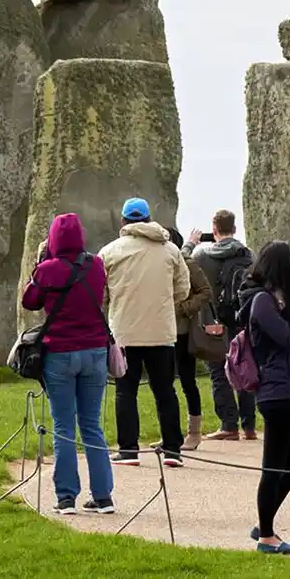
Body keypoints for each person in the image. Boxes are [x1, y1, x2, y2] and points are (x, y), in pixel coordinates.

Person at [21, 213, 115, 515]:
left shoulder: (48, 269)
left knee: (63, 426)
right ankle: (103, 497)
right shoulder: (96, 264)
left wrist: (41, 264)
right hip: (95, 351)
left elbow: (29, 300)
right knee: (91, 426)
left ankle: (66, 497)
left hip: (60, 351)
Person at [98, 198, 190, 468]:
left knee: (125, 392)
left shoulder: (110, 252)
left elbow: (102, 294)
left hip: (124, 331)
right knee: (165, 391)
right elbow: (183, 289)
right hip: (161, 331)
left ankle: (128, 450)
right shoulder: (170, 250)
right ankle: (173, 449)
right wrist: (161, 304)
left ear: (124, 221)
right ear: (149, 218)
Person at [238, 242, 290, 555]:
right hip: (274, 390)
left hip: (286, 389)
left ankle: (263, 522)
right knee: (274, 466)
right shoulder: (263, 302)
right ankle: (266, 535)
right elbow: (287, 337)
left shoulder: (275, 301)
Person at [187, 210, 257, 441]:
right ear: (235, 230)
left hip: (214, 320)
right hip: (242, 319)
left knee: (219, 372)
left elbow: (181, 266)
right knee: (245, 367)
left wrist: (191, 244)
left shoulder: (202, 256)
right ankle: (249, 426)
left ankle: (228, 424)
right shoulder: (247, 255)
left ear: (214, 230)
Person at [166, 228, 214, 449]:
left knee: (187, 381)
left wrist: (184, 308)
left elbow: (205, 291)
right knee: (164, 384)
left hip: (183, 331)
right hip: (161, 330)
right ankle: (171, 433)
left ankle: (194, 432)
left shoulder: (186, 261)